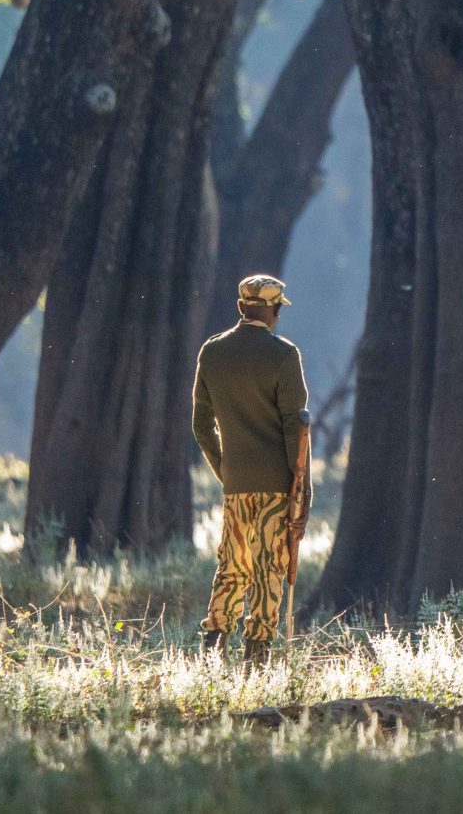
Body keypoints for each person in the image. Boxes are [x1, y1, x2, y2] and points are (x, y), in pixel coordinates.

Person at [192, 273, 311, 666]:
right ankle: (256, 662)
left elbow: (201, 425)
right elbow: (296, 429)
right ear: (274, 310)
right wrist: (303, 491)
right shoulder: (284, 355)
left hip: (235, 486)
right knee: (268, 571)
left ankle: (211, 654)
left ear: (241, 307)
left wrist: (226, 470)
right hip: (277, 488)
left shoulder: (212, 352)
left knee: (231, 568)